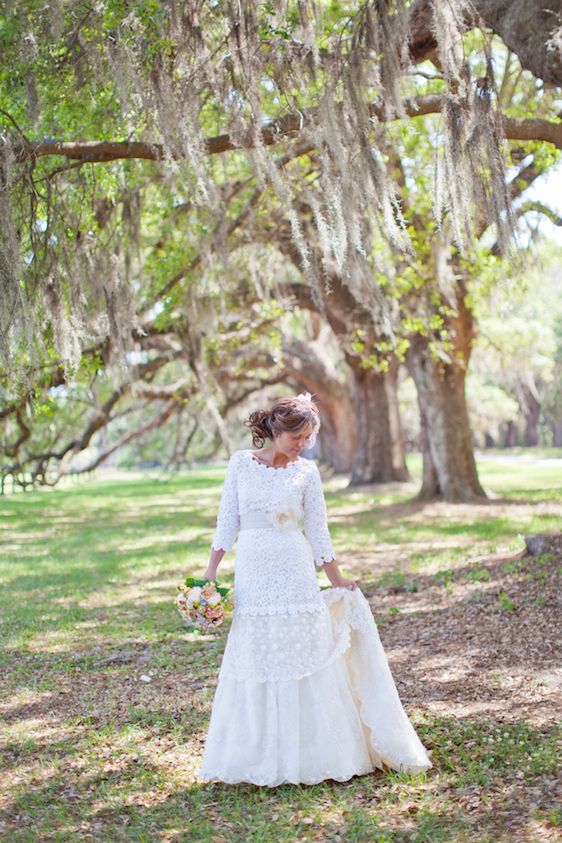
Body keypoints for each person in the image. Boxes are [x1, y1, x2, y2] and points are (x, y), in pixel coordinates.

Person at [197, 392, 432, 787]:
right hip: (253, 570)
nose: (302, 445)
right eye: (296, 437)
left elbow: (318, 530)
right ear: (275, 429)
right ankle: (257, 755)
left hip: (294, 567)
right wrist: (210, 574)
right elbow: (227, 521)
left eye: (308, 438)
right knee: (259, 651)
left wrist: (336, 578)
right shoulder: (241, 464)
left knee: (302, 649)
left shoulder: (307, 473)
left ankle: (315, 753)